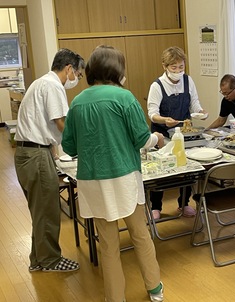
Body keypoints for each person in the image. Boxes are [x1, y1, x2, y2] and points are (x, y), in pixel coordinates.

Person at [62, 45, 165, 302]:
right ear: (116, 70)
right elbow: (142, 139)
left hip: (92, 181)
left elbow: (69, 147)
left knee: (108, 246)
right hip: (124, 178)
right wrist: (157, 137)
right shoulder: (125, 98)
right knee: (140, 236)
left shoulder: (77, 102)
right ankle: (155, 289)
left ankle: (115, 297)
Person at [14, 48, 84, 273]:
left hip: (28, 153)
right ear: (69, 68)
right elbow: (60, 121)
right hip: (35, 155)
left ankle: (38, 259)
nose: (77, 79)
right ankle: (51, 260)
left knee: (40, 210)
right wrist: (79, 146)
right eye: (78, 74)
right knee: (48, 209)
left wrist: (55, 151)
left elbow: (44, 123)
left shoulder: (40, 83)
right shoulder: (53, 85)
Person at [147, 46, 208, 220]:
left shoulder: (188, 81)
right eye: (174, 68)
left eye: (181, 67)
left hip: (184, 133)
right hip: (162, 134)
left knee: (186, 168)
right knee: (161, 171)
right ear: (165, 66)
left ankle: (184, 204)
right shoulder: (157, 86)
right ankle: (156, 206)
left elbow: (194, 103)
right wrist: (164, 119)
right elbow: (152, 113)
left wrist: (201, 112)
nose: (178, 71)